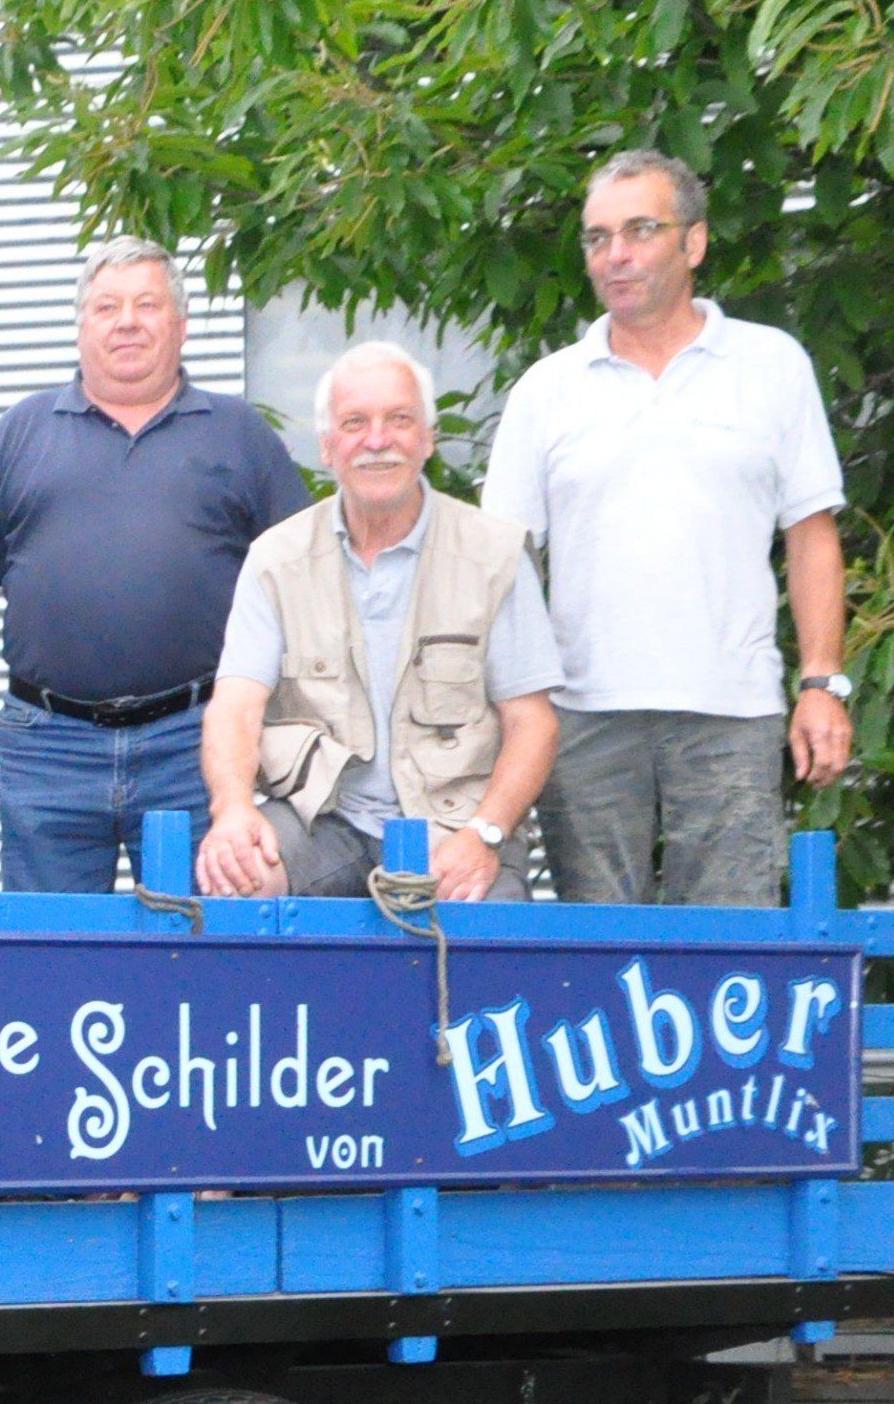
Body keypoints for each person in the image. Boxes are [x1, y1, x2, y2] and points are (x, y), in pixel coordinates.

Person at [481, 148, 851, 904]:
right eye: (596, 237)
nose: (615, 255)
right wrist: (515, 711)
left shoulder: (771, 365)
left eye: (640, 230)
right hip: (583, 718)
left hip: (732, 710)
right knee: (595, 957)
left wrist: (822, 684)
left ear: (694, 242)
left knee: (728, 954)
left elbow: (811, 535)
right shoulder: (546, 391)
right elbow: (501, 566)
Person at [0, 239, 310, 893]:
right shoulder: (19, 432)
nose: (127, 320)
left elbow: (306, 590)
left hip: (197, 743)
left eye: (147, 304)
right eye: (107, 307)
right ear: (81, 328)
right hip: (49, 747)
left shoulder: (240, 435)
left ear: (180, 326)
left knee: (200, 943)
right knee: (56, 955)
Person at [196, 343, 559, 902]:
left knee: (486, 947)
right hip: (324, 821)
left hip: (456, 825)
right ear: (326, 446)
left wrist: (485, 833)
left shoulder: (496, 555)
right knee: (236, 878)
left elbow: (532, 723)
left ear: (428, 438)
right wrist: (234, 810)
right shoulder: (276, 559)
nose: (377, 440)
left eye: (399, 419)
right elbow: (236, 706)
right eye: (354, 423)